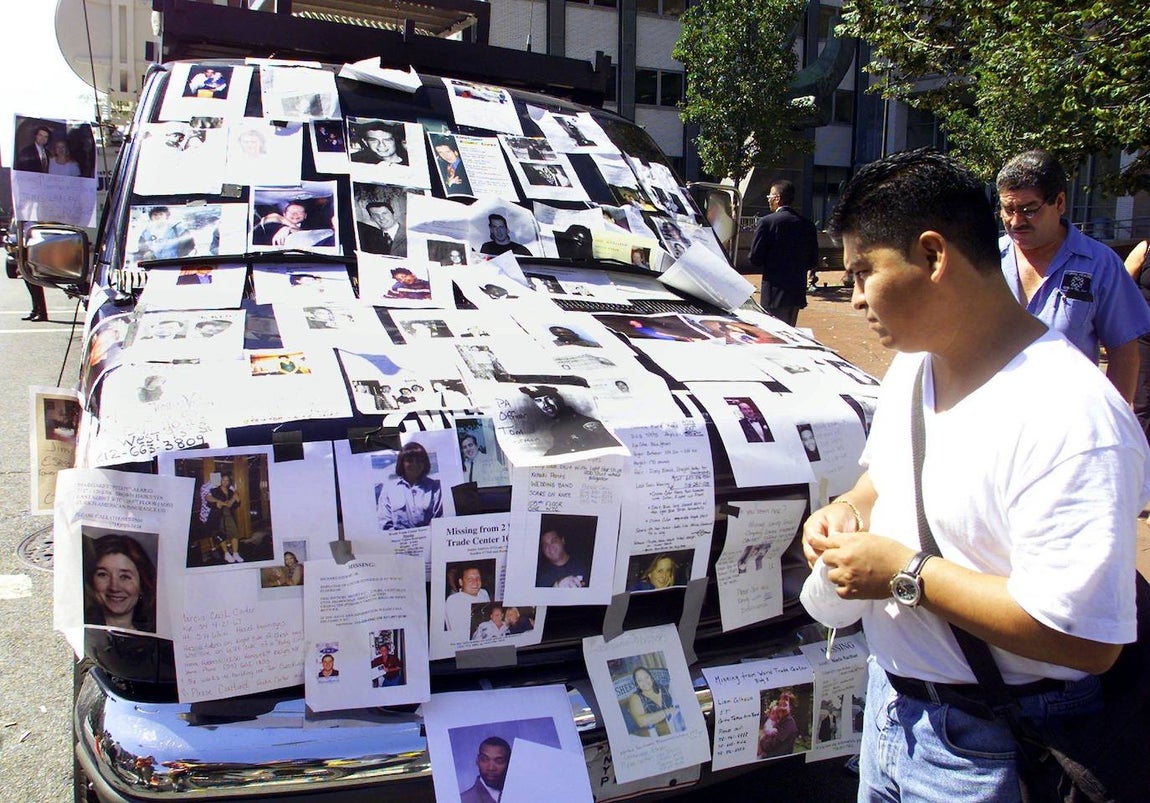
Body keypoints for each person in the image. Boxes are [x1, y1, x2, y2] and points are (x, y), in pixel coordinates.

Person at [801, 148, 1148, 800]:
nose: (852, 298)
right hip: (891, 713)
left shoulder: (1074, 418)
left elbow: (1087, 640)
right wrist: (848, 509)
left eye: (862, 272)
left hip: (992, 747)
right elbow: (884, 481)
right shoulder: (916, 362)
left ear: (933, 255)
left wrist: (903, 574)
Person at [997, 149, 1150, 402]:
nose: (1016, 221)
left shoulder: (1100, 265)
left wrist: (1112, 421)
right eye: (1008, 209)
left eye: (1028, 209)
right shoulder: (987, 259)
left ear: (1059, 203)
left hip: (1069, 425)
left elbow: (1124, 352)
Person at [749, 179, 819, 327]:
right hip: (796, 292)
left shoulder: (767, 222)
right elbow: (813, 260)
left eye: (769, 197)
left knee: (771, 335)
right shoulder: (807, 225)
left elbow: (755, 258)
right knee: (789, 333)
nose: (768, 201)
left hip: (773, 293)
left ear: (777, 198)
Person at [84, 534, 157, 632]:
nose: (114, 587)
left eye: (125, 576)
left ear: (142, 585)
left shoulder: (158, 643)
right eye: (103, 574)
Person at [519, 384, 619, 456]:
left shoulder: (584, 423)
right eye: (538, 401)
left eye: (548, 398)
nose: (545, 405)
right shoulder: (557, 428)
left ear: (558, 399)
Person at [377, 442, 442, 530]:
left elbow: (440, 520)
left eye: (419, 461)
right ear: (402, 463)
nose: (415, 464)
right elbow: (385, 523)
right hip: (399, 542)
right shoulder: (389, 489)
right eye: (409, 461)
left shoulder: (435, 487)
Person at [1125, 239, 1150, 442]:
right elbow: (1121, 290)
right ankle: (1141, 462)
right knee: (1143, 403)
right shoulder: (1145, 248)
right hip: (1145, 341)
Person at [626, 667, 678, 737]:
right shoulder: (635, 697)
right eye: (640, 680)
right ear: (636, 683)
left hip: (675, 728)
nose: (644, 682)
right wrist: (668, 711)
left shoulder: (662, 687)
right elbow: (641, 722)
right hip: (650, 737)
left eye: (646, 677)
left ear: (651, 677)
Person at [459, 736, 510, 803]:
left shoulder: (521, 794)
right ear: (477, 761)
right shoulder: (463, 800)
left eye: (499, 761)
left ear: (509, 763)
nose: (491, 768)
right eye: (484, 759)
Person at [209, 473, 243, 564]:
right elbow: (209, 502)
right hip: (218, 516)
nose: (225, 482)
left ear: (229, 482)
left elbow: (236, 504)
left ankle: (235, 553)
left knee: (234, 534)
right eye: (223, 480)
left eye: (227, 480)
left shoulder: (230, 491)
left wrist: (237, 500)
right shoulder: (214, 491)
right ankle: (226, 554)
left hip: (229, 515)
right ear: (220, 480)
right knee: (221, 535)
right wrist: (218, 504)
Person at [445, 565, 490, 632]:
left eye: (478, 578)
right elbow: (457, 631)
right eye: (470, 579)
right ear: (461, 582)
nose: (475, 582)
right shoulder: (453, 601)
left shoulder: (483, 592)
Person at [757, 690, 799, 757]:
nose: (781, 706)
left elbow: (769, 745)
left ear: (791, 707)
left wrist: (761, 741)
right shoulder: (778, 720)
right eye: (780, 703)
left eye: (784, 704)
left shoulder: (788, 724)